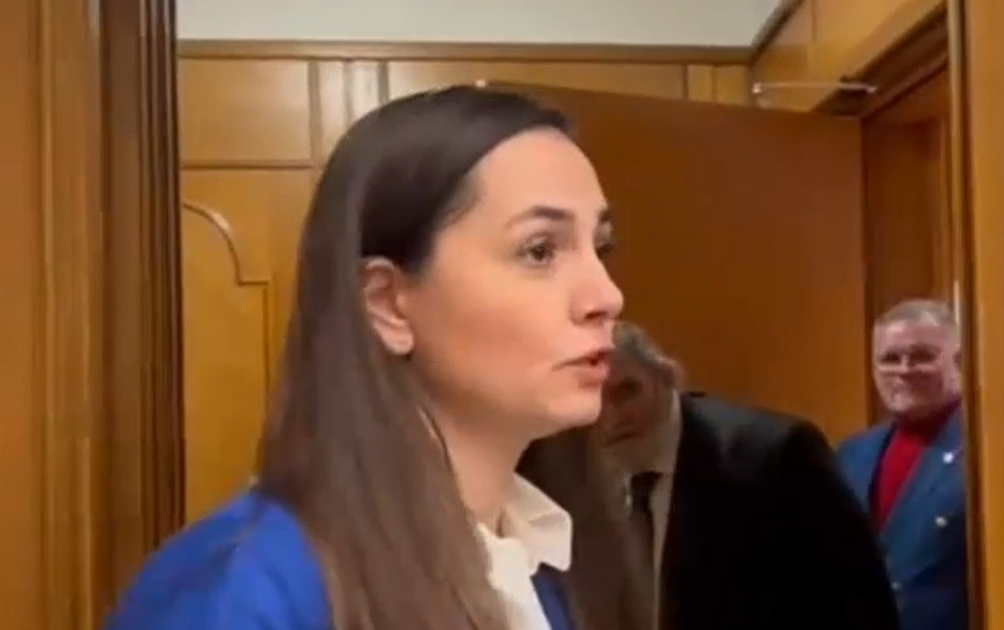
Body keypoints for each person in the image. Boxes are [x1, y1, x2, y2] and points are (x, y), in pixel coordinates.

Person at [104, 86, 650, 630]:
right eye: (540, 251)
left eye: (600, 248)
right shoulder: (240, 590)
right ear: (387, 304)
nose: (607, 296)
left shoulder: (549, 560)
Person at [598, 321, 900, 630]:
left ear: (667, 376)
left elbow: (859, 599)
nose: (611, 417)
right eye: (595, 396)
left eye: (627, 391)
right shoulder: (577, 465)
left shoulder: (774, 455)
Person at [835, 299, 968, 630]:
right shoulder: (853, 453)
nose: (904, 371)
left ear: (959, 360)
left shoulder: (984, 451)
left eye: (922, 356)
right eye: (890, 360)